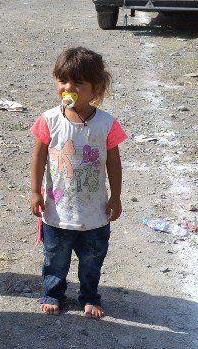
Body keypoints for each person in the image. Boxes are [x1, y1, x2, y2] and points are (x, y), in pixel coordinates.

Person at [29, 47, 126, 319]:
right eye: (62, 81)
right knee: (55, 258)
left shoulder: (107, 123)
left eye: (77, 83)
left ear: (96, 88)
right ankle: (53, 293)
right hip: (57, 212)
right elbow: (38, 157)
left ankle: (89, 295)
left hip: (95, 213)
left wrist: (115, 197)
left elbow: (114, 163)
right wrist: (35, 192)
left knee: (92, 259)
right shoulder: (49, 119)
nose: (67, 88)